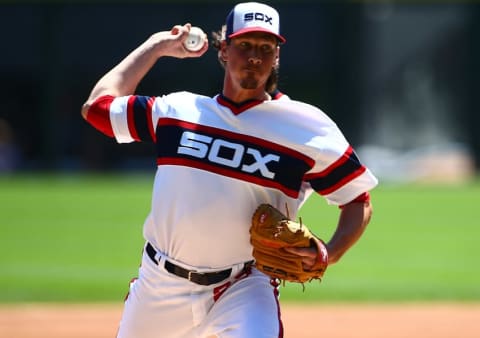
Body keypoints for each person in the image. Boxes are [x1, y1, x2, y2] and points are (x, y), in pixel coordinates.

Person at [81, 2, 378, 337]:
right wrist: (157, 46)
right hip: (160, 286)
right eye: (245, 45)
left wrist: (330, 252)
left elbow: (358, 200)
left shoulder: (306, 127)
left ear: (276, 57)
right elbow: (98, 109)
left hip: (244, 287)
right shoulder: (178, 110)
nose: (255, 56)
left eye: (266, 48)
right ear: (224, 50)